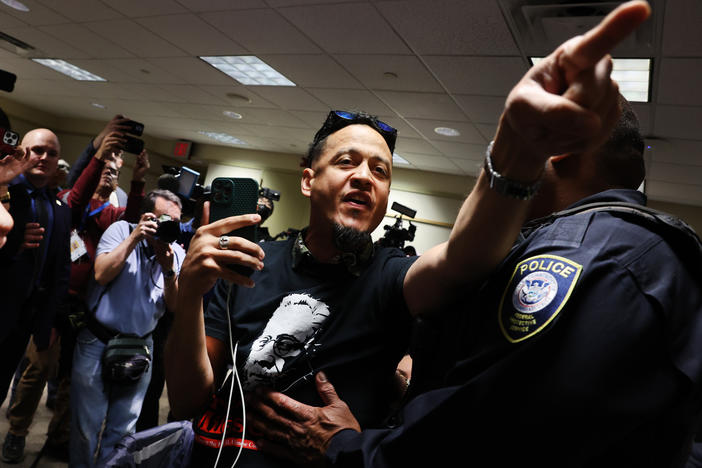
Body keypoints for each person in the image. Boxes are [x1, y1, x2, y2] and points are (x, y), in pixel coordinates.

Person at [164, 5, 643, 468]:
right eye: (347, 162)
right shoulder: (247, 262)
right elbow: (186, 401)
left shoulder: (390, 277)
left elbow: (463, 258)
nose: (364, 177)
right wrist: (190, 295)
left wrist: (514, 155)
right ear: (309, 180)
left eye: (380, 171)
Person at [2, 133, 149, 464]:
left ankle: (59, 437)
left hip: (81, 309)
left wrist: (137, 182)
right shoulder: (68, 201)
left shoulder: (110, 215)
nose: (108, 174)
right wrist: (101, 153)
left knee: (72, 379)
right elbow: (80, 192)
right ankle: (17, 431)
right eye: (103, 169)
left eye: (114, 171)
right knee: (37, 371)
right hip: (49, 306)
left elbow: (131, 220)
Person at [70, 189, 185, 467]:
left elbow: (174, 306)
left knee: (123, 433)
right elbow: (102, 273)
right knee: (86, 429)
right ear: (147, 216)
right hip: (98, 341)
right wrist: (134, 239)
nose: (168, 226)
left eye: (175, 221)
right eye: (163, 219)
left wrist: (168, 269)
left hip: (140, 347)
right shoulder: (121, 230)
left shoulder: (176, 252)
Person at [0, 128, 72, 463]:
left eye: (51, 153)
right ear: (22, 153)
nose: (43, 158)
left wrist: (49, 321)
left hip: (26, 319)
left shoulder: (59, 206)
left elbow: (60, 270)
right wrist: (14, 241)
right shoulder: (5, 192)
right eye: (36, 150)